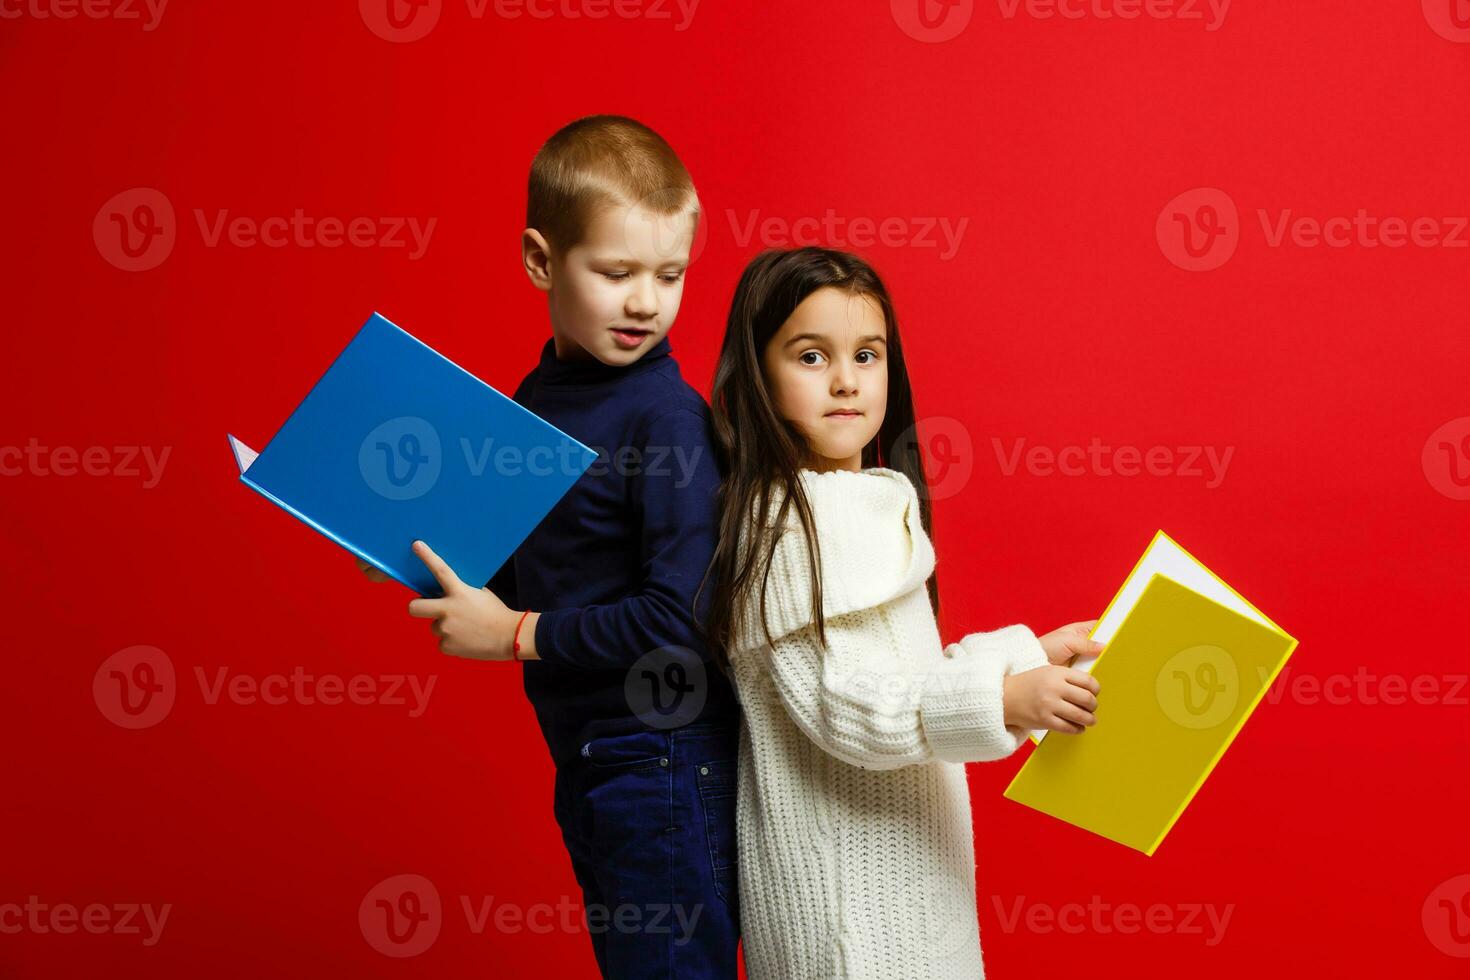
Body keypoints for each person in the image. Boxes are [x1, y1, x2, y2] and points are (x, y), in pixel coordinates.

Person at [359, 115, 741, 979]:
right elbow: (539, 567)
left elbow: (679, 616)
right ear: (541, 262)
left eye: (670, 275)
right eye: (616, 273)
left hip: (666, 761)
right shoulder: (540, 398)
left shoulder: (667, 418)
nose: (646, 300)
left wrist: (517, 636)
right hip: (591, 759)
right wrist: (405, 545)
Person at [699, 246, 1102, 979]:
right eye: (812, 356)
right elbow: (847, 705)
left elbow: (905, 676)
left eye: (868, 354)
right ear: (758, 374)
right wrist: (1004, 697)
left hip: (918, 882)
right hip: (847, 919)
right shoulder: (782, 525)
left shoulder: (877, 502)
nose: (847, 380)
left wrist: (1026, 656)